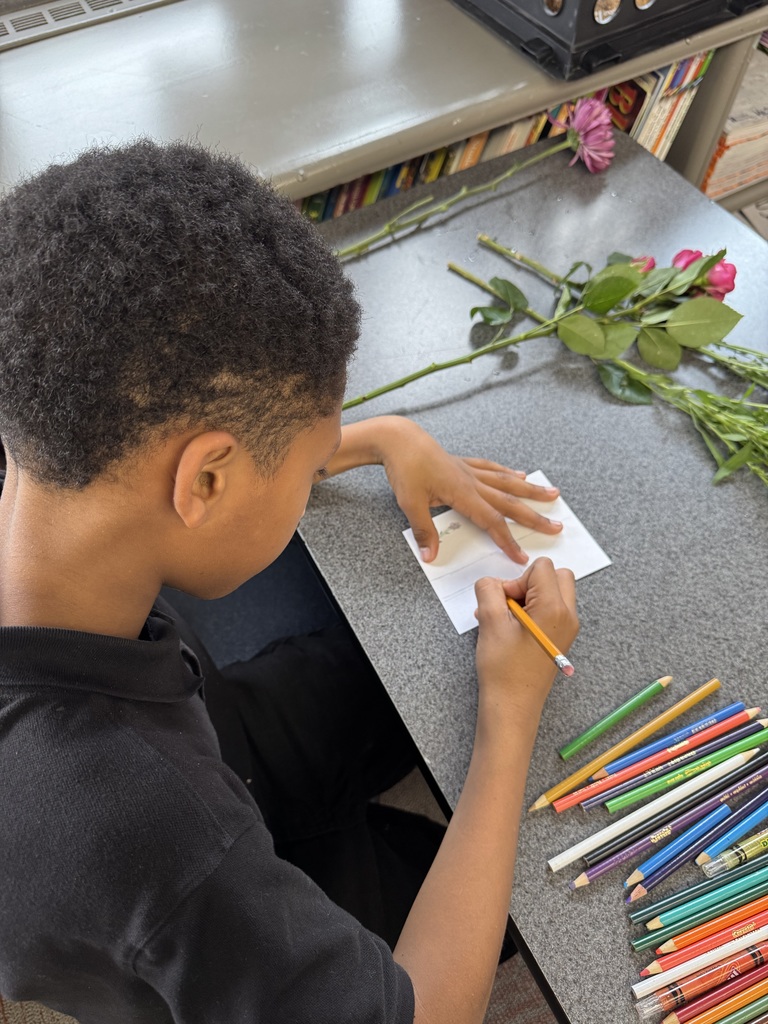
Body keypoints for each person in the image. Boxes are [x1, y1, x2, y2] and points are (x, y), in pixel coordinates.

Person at [0, 139, 578, 1024]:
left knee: (384, 690)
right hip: (193, 900)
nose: (319, 471)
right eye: (310, 466)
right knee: (494, 901)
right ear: (206, 480)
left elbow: (139, 455)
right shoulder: (160, 835)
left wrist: (380, 438)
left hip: (215, 730)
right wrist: (510, 715)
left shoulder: (46, 455)